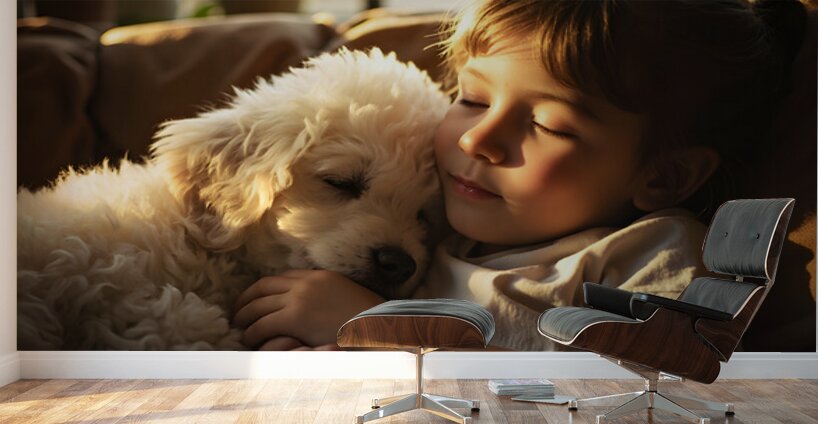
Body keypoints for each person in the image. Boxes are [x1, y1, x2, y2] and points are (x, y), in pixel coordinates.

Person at [232, 0, 807, 351]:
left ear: (663, 177)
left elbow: (634, 390)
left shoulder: (650, 254)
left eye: (550, 125)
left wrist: (378, 329)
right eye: (472, 98)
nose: (476, 140)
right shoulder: (429, 231)